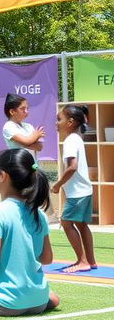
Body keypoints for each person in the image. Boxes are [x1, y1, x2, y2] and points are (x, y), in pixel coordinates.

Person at [0, 148, 59, 316]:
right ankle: (38, 297)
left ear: (3, 176)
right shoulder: (39, 214)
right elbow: (47, 258)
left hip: (5, 301)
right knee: (51, 298)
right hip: (38, 302)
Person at [51, 104, 96, 272]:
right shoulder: (76, 138)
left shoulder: (70, 140)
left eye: (59, 119)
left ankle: (82, 261)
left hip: (77, 193)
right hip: (84, 191)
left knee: (66, 222)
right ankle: (90, 261)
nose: (56, 123)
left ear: (70, 122)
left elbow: (72, 167)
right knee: (81, 225)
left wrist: (57, 185)